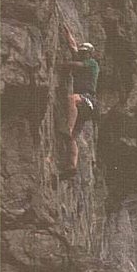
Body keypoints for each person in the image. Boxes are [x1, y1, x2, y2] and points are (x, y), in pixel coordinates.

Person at [61, 25, 99, 175]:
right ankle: (71, 166)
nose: (82, 54)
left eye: (84, 53)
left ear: (89, 54)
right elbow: (72, 45)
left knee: (72, 98)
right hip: (83, 108)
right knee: (72, 138)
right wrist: (66, 29)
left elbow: (77, 64)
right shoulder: (81, 56)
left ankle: (68, 128)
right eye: (82, 52)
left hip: (88, 99)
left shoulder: (92, 63)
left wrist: (64, 65)